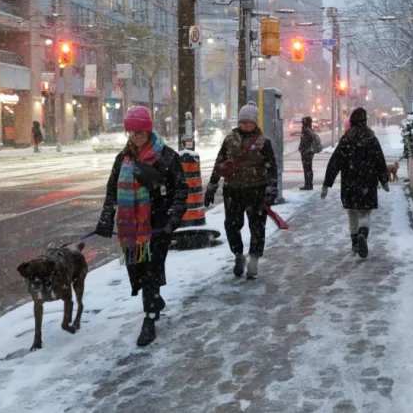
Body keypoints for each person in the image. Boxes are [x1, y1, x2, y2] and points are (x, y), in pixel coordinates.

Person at [95, 106, 188, 347]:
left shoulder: (166, 157)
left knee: (151, 271)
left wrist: (173, 218)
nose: (135, 136)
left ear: (148, 130)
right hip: (130, 228)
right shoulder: (122, 159)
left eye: (140, 132)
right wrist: (106, 217)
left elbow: (180, 190)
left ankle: (148, 320)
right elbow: (112, 190)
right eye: (132, 132)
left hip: (157, 224)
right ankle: (154, 300)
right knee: (136, 271)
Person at [204, 103, 278, 280]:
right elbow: (219, 163)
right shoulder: (230, 140)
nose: (245, 125)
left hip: (256, 191)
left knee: (257, 227)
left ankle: (253, 260)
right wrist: (212, 185)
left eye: (249, 122)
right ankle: (238, 255)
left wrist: (271, 189)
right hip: (233, 190)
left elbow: (272, 168)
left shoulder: (263, 142)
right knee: (232, 225)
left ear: (255, 123)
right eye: (243, 122)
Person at [321, 107, 389, 258]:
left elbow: (335, 161)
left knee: (352, 212)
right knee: (364, 213)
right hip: (367, 184)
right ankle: (362, 235)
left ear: (351, 122)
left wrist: (327, 183)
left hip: (349, 184)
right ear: (365, 121)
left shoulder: (346, 139)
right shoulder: (372, 139)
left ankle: (354, 242)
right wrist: (384, 180)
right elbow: (380, 161)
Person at [298, 116, 317, 190]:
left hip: (306, 153)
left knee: (307, 169)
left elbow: (304, 142)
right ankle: (309, 184)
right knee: (309, 169)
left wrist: (302, 149)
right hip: (309, 152)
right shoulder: (310, 129)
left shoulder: (306, 131)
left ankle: (308, 185)